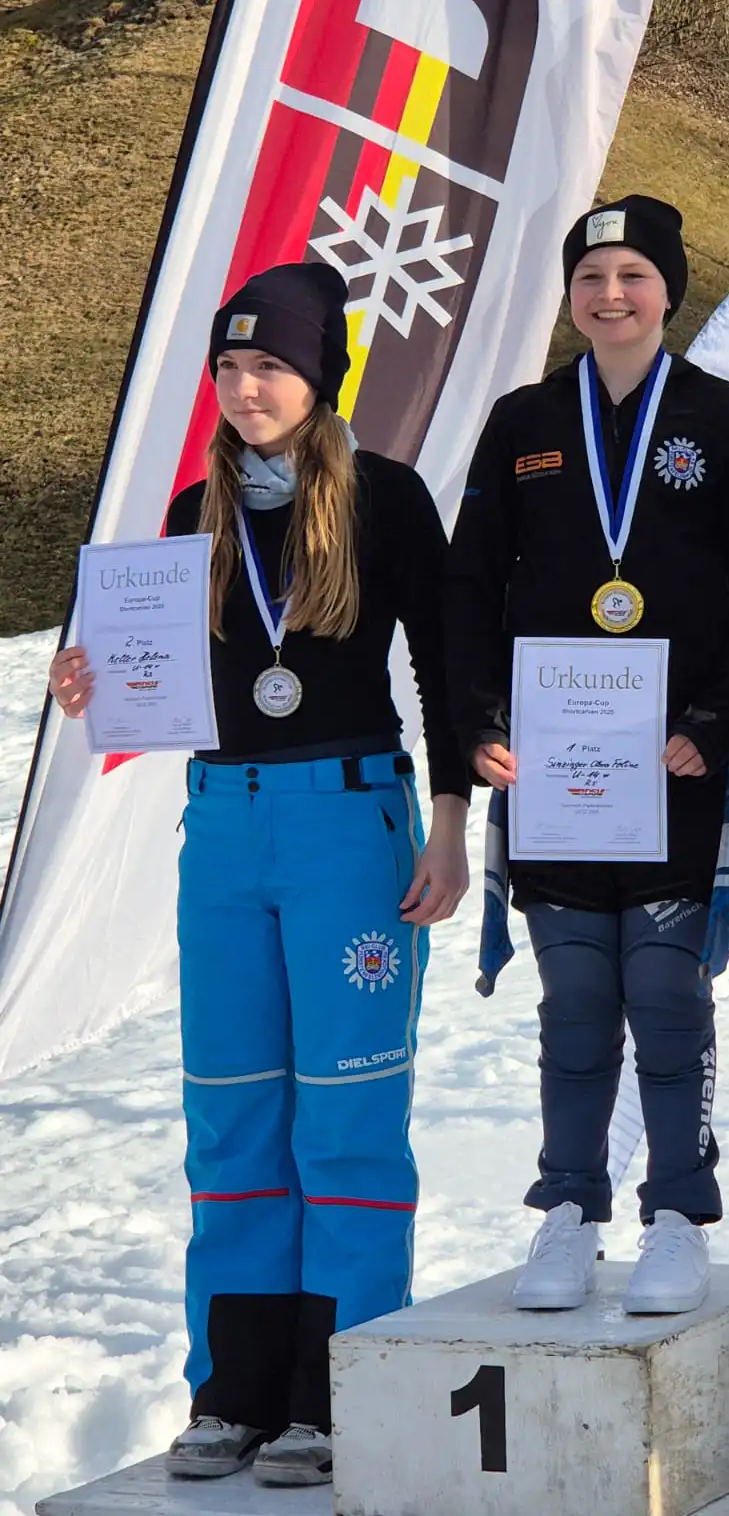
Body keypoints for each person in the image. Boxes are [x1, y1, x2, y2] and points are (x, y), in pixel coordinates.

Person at [49, 263, 470, 1487]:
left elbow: (444, 671)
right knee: (233, 1117)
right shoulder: (195, 512)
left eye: (268, 367)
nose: (244, 389)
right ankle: (232, 1390)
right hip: (223, 830)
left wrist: (450, 822)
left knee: (343, 1118)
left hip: (349, 822)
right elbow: (158, 674)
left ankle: (334, 1391)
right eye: (229, 370)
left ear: (319, 374)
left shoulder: (386, 500)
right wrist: (92, 683)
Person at [443, 194, 729, 1317]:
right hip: (556, 772)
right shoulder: (520, 425)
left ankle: (678, 1214)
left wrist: (712, 718)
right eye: (592, 279)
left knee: (665, 993)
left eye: (633, 277)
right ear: (571, 296)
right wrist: (479, 721)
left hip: (677, 767)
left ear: (669, 290)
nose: (611, 296)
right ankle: (565, 1211)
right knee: (575, 1001)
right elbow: (467, 588)